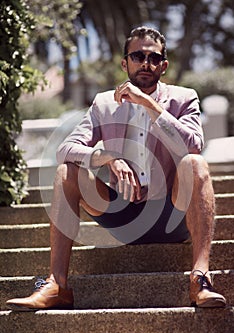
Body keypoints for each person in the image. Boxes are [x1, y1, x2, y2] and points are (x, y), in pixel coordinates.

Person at [7, 26, 226, 310]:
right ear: (125, 63)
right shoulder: (103, 103)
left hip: (175, 216)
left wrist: (150, 106)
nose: (146, 63)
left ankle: (200, 280)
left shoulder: (183, 98)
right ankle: (58, 285)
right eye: (138, 55)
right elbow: (65, 149)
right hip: (124, 218)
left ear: (164, 66)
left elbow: (194, 146)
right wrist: (107, 157)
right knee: (66, 173)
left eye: (154, 58)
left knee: (195, 164)